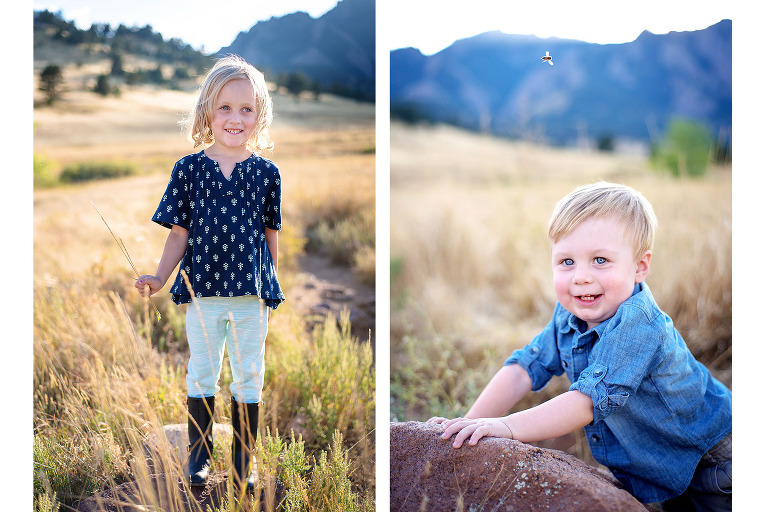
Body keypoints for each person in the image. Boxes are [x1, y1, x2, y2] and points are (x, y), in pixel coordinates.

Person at [431, 182, 731, 511]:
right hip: (662, 464)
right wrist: (468, 424)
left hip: (714, 459)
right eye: (567, 262)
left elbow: (587, 402)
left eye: (600, 260)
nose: (581, 277)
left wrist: (506, 427)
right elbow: (523, 369)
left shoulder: (639, 326)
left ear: (640, 267)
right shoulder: (570, 313)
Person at [135, 54, 284, 491]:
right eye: (225, 107)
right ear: (207, 112)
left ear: (259, 117)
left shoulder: (267, 174)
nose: (235, 118)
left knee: (248, 375)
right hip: (201, 295)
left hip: (250, 299)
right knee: (202, 372)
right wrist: (160, 277)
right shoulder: (189, 170)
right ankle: (199, 458)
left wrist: (270, 286)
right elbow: (178, 235)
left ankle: (243, 464)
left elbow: (271, 235)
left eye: (246, 109)